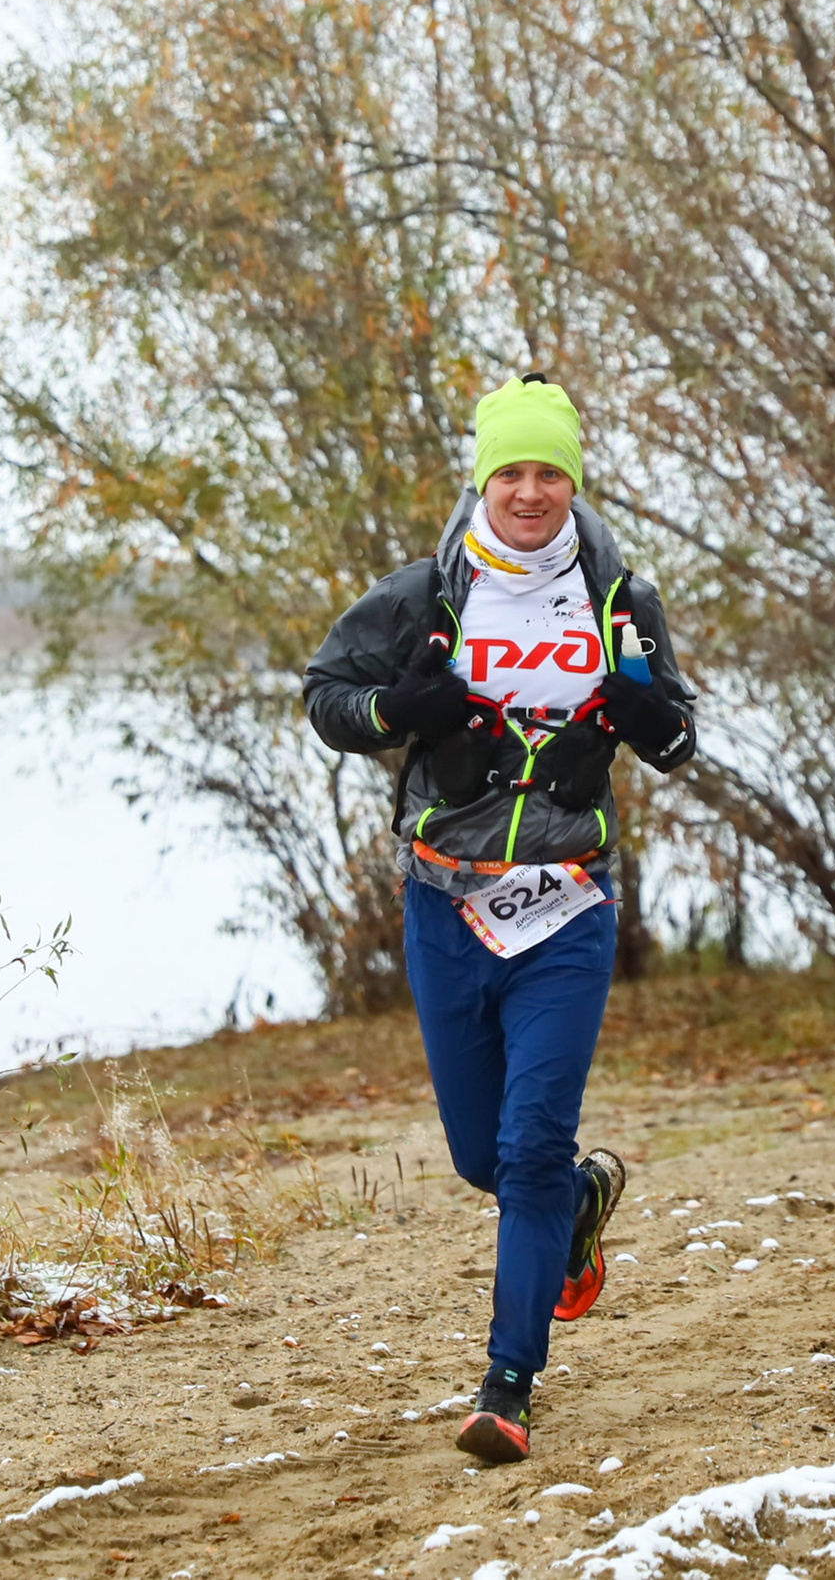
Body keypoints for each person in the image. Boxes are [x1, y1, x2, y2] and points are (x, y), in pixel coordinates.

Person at [302, 372, 697, 1464]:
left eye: (549, 472)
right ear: (485, 478)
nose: (530, 491)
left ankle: (506, 1385)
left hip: (568, 908)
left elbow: (678, 740)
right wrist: (402, 712)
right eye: (511, 471)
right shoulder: (429, 592)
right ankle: (573, 1207)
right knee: (487, 1158)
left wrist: (635, 713)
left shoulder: (618, 599)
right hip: (445, 906)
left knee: (526, 1150)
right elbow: (327, 693)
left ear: (573, 480)